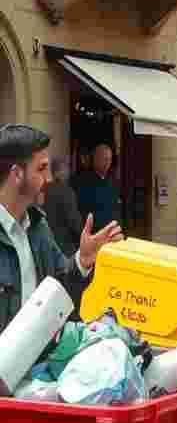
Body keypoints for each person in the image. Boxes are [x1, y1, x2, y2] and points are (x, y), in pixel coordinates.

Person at [0, 124, 122, 331]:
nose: (48, 179)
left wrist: (82, 260)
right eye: (41, 169)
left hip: (40, 358)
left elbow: (60, 286)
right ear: (17, 174)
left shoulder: (38, 226)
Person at [72, 143, 120, 230]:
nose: (108, 163)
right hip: (95, 233)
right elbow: (82, 212)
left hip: (112, 232)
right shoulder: (83, 182)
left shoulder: (113, 181)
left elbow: (116, 209)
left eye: (109, 159)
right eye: (104, 159)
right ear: (95, 159)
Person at [42, 156, 83, 258]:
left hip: (45, 247)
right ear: (60, 172)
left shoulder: (43, 189)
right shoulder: (67, 192)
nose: (68, 172)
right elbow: (74, 222)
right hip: (64, 248)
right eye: (67, 168)